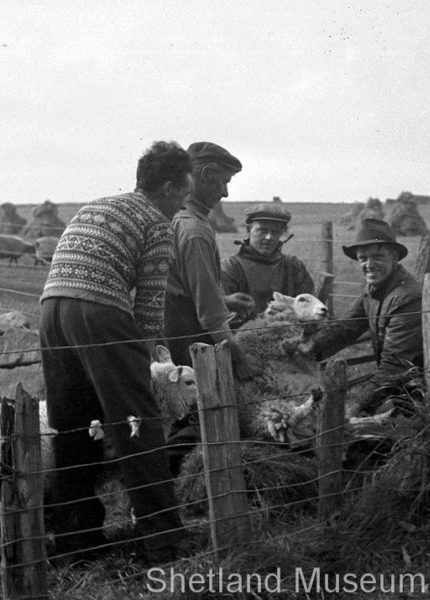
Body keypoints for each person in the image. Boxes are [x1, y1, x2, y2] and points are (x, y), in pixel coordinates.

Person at [39, 140, 191, 563]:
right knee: (138, 422)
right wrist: (154, 359)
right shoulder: (158, 223)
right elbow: (147, 308)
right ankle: (163, 541)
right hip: (99, 310)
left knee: (72, 426)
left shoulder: (98, 204)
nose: (182, 204)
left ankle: (75, 541)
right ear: (165, 187)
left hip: (52, 310)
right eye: (182, 193)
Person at [295, 218, 423, 415]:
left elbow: (394, 367)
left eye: (377, 257)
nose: (369, 265)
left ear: (394, 256)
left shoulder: (408, 298)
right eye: (363, 258)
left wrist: (355, 404)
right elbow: (345, 329)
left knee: (362, 431)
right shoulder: (373, 290)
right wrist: (302, 352)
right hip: (406, 385)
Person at [163, 141, 258, 379]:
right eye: (225, 181)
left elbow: (183, 286)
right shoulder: (194, 230)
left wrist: (225, 299)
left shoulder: (178, 218)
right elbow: (211, 316)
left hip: (171, 338)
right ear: (206, 175)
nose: (225, 192)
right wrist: (240, 360)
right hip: (192, 351)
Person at [221, 203, 315, 324]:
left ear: (282, 233)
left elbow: (309, 310)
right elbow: (223, 317)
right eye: (262, 230)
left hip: (291, 335)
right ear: (249, 230)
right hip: (243, 338)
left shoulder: (293, 266)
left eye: (275, 232)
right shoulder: (230, 267)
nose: (269, 237)